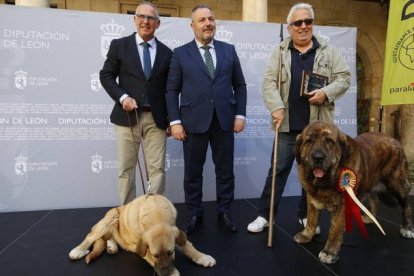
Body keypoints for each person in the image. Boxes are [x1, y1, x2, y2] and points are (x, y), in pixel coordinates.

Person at [247, 2, 351, 233]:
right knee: (277, 171)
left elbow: (344, 77)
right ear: (289, 27)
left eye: (308, 21)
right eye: (298, 23)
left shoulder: (328, 50)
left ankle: (306, 216)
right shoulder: (280, 52)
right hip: (287, 125)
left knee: (314, 174)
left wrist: (326, 92)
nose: (303, 26)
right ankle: (265, 215)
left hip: (318, 131)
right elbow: (268, 83)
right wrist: (276, 107)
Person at [165, 3, 247, 234]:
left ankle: (225, 212)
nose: (207, 23)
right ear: (192, 26)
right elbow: (171, 90)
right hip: (192, 122)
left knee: (225, 171)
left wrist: (239, 114)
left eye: (210, 19)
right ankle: (194, 213)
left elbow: (239, 84)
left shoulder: (228, 50)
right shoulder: (180, 53)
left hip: (224, 121)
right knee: (192, 172)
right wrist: (175, 121)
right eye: (202, 20)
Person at [100, 2, 172, 205]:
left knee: (156, 169)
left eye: (151, 18)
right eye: (141, 16)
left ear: (158, 24)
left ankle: (153, 212)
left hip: (156, 119)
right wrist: (123, 98)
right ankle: (127, 215)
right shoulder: (119, 45)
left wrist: (171, 119)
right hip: (127, 117)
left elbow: (170, 89)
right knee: (126, 168)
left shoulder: (167, 53)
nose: (145, 21)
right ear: (134, 19)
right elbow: (106, 75)